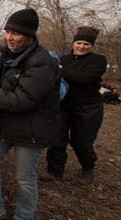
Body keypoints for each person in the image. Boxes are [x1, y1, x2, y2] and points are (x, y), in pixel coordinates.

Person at [0, 8, 61, 220]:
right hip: (7, 120)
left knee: (24, 177)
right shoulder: (9, 55)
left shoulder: (42, 63)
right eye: (8, 31)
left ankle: (25, 218)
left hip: (32, 126)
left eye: (16, 33)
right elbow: (6, 87)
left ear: (29, 35)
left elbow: (20, 100)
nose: (9, 37)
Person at [43, 27, 107, 183]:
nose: (81, 46)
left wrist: (60, 70)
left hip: (88, 108)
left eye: (86, 44)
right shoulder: (64, 59)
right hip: (64, 106)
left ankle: (88, 167)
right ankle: (54, 172)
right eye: (79, 43)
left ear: (91, 45)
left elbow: (85, 78)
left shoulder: (98, 60)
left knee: (81, 142)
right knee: (57, 140)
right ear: (73, 43)